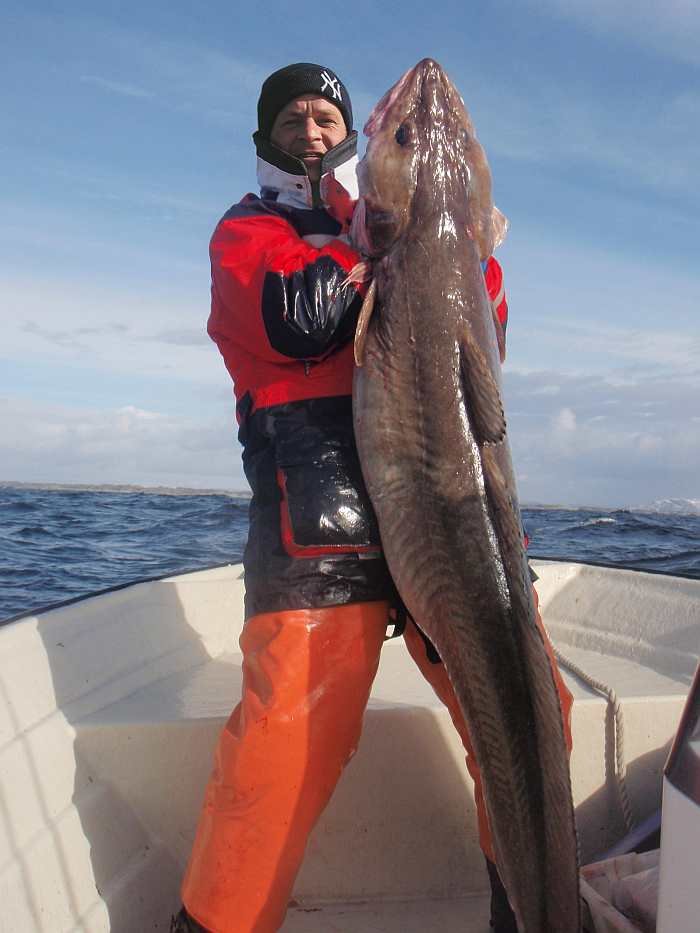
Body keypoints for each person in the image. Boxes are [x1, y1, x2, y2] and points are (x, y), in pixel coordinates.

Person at [171, 62, 573, 933]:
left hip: (445, 513)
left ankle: (537, 912)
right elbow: (292, 315)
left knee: (534, 710)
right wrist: (388, 236)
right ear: (265, 139)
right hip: (322, 535)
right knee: (282, 758)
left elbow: (488, 329)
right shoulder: (249, 233)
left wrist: (454, 242)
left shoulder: (425, 241)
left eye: (326, 117)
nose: (312, 131)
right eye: (293, 120)